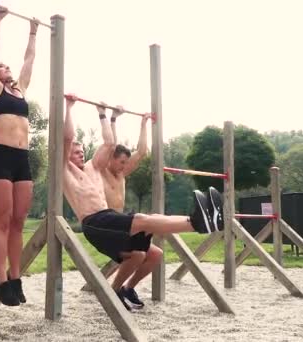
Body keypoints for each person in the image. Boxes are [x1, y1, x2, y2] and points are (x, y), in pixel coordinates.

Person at [62, 96, 224, 310]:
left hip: (109, 220)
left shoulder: (93, 168)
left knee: (149, 242)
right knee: (142, 220)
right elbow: (67, 137)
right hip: (94, 223)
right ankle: (198, 223)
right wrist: (69, 107)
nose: (81, 154)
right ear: (67, 155)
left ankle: (201, 222)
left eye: (82, 151)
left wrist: (104, 115)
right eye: (76, 152)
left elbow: (110, 144)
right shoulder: (64, 169)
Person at [0, 5, 40, 306]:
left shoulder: (21, 91)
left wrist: (33, 31)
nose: (6, 67)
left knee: (19, 221)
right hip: (1, 157)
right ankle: (1, 280)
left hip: (22, 159)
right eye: (2, 66)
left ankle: (15, 277)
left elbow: (29, 60)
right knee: (2, 221)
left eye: (7, 66)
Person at [98, 107, 163, 310]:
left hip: (123, 226)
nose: (124, 166)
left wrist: (143, 124)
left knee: (156, 254)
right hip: (107, 227)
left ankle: (128, 288)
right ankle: (114, 291)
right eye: (121, 162)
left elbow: (142, 152)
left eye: (126, 162)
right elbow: (110, 147)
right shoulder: (102, 172)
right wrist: (110, 118)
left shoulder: (121, 174)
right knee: (139, 254)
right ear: (111, 159)